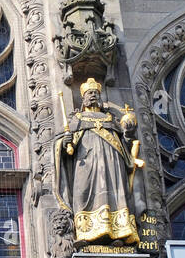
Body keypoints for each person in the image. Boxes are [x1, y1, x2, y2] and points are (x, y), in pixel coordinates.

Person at [53, 77, 144, 247]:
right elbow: (64, 147)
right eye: (89, 93)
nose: (93, 95)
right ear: (83, 98)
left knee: (114, 194)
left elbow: (125, 144)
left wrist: (128, 133)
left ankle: (118, 233)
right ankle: (85, 233)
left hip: (112, 163)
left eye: (95, 93)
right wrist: (66, 143)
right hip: (86, 163)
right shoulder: (77, 119)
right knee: (82, 192)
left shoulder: (109, 119)